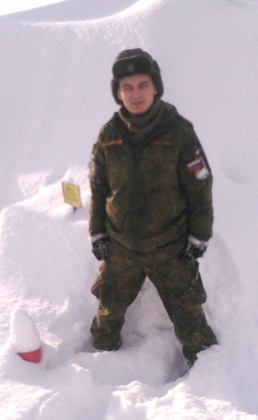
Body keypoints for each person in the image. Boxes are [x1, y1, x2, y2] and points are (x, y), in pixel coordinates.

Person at [88, 48, 217, 365]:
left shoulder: (178, 132)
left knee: (190, 317)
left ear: (156, 86)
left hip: (169, 247)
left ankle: (210, 374)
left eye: (143, 84)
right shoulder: (109, 135)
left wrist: (198, 236)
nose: (136, 94)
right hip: (122, 246)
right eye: (127, 87)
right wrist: (98, 233)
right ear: (117, 92)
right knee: (108, 310)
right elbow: (99, 187)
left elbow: (200, 187)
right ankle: (100, 364)